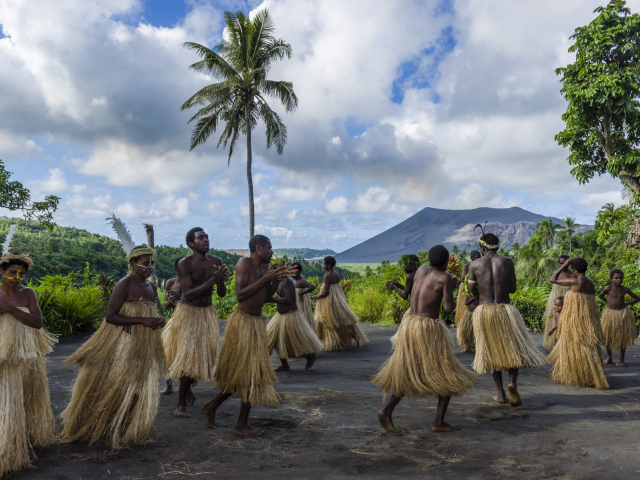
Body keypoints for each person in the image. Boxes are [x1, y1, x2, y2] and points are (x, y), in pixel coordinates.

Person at [61, 246, 166, 448]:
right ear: (133, 264)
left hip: (144, 344)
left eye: (152, 263)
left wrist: (157, 321)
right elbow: (111, 316)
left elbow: (153, 311)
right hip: (123, 341)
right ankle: (105, 423)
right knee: (119, 384)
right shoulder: (124, 284)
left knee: (139, 385)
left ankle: (127, 424)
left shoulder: (151, 288)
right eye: (145, 263)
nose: (150, 267)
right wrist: (142, 321)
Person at [373, 245, 476, 433]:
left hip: (410, 324)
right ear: (446, 263)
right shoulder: (444, 278)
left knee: (408, 370)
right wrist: (452, 288)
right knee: (446, 373)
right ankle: (439, 422)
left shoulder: (421, 269)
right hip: (428, 328)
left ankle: (387, 410)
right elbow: (448, 308)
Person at [202, 235, 293, 436]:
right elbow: (241, 295)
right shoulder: (244, 263)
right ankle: (240, 424)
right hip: (243, 323)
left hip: (256, 323)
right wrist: (267, 278)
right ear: (259, 248)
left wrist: (275, 279)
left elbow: (266, 297)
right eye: (269, 248)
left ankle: (212, 406)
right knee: (251, 373)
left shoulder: (263, 269)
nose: (272, 251)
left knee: (247, 373)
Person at [468, 231, 545, 406]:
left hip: (485, 311)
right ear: (497, 246)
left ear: (482, 247)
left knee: (492, 351)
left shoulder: (475, 265)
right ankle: (513, 384)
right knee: (513, 348)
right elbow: (512, 289)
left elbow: (471, 291)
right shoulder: (507, 262)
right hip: (506, 310)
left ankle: (500, 394)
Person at [162, 228, 230, 418]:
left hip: (207, 314)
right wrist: (213, 280)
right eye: (201, 238)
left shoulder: (217, 262)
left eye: (207, 237)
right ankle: (180, 404)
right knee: (188, 357)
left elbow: (222, 293)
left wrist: (220, 281)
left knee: (199, 357)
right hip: (188, 312)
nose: (205, 240)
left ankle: (187, 391)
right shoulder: (186, 263)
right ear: (191, 244)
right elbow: (188, 294)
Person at [0, 253, 56, 478]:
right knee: (8, 400)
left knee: (27, 397)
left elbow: (38, 322)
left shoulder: (28, 294)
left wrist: (11, 309)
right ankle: (8, 443)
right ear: (2, 272)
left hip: (27, 355)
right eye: (12, 272)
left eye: (21, 274)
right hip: (4, 357)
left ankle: (26, 437)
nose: (16, 277)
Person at [547, 257, 608, 389]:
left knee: (574, 344)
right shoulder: (590, 284)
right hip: (587, 322)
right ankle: (589, 375)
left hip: (575, 323)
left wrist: (564, 266)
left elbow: (553, 279)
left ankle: (577, 376)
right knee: (587, 346)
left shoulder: (574, 282)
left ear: (574, 270)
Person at [266, 265, 324, 371]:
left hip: (290, 315)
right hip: (280, 316)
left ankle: (309, 355)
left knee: (296, 339)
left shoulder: (287, 281)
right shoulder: (278, 281)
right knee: (273, 339)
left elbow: (288, 299)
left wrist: (272, 299)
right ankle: (285, 364)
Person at [314, 256, 368, 351]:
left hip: (330, 301)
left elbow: (325, 292)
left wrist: (317, 296)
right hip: (338, 301)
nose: (323, 266)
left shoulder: (327, 276)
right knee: (339, 320)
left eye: (324, 264)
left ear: (329, 265)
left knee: (330, 320)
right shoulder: (336, 274)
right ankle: (345, 339)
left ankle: (335, 343)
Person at [598, 269, 639, 367]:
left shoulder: (625, 289)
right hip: (610, 314)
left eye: (621, 278)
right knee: (608, 336)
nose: (619, 280)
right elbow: (600, 296)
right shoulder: (608, 288)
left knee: (622, 336)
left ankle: (621, 359)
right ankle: (609, 357)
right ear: (611, 278)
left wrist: (627, 303)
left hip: (622, 314)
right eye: (616, 278)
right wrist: (608, 302)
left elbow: (637, 298)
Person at [160, 256, 184, 396]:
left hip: (188, 323)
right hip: (174, 322)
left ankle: (186, 388)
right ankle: (168, 385)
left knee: (184, 355)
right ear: (176, 269)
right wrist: (170, 302)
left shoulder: (191, 284)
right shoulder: (171, 283)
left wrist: (180, 304)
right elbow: (165, 306)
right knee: (167, 353)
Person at [543, 255, 572, 351]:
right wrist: (563, 267)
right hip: (555, 298)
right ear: (558, 263)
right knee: (553, 318)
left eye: (565, 262)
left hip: (567, 299)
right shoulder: (555, 273)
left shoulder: (572, 274)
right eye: (561, 263)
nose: (563, 264)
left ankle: (564, 345)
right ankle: (553, 345)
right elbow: (552, 280)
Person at [455, 250, 481, 352]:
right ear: (471, 258)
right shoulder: (467, 266)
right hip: (467, 289)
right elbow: (462, 278)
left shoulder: (481, 265)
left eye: (479, 258)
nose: (478, 260)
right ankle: (466, 344)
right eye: (476, 258)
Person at [292, 262, 317, 331]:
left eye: (294, 270)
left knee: (302, 321)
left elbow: (312, 287)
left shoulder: (301, 281)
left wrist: (301, 293)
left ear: (299, 271)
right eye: (291, 270)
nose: (292, 272)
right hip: (295, 305)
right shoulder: (294, 281)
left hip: (301, 305)